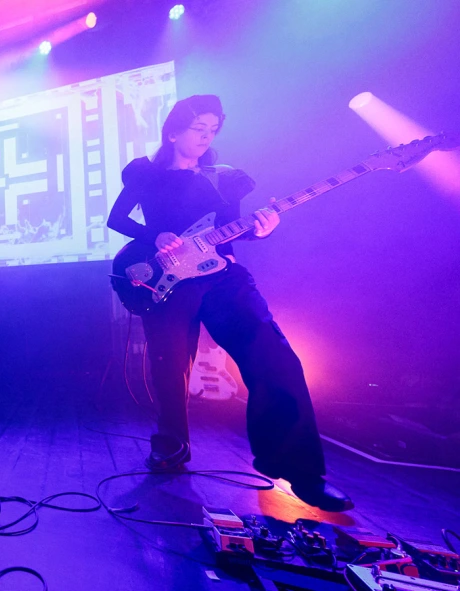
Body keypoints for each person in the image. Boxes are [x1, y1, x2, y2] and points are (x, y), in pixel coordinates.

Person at [107, 95, 353, 512]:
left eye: (212, 129)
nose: (206, 136)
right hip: (169, 279)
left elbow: (231, 229)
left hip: (222, 278)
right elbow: (117, 219)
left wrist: (263, 229)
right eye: (197, 128)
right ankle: (170, 449)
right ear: (173, 131)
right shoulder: (145, 173)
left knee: (275, 357)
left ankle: (301, 470)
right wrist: (156, 237)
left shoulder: (226, 177)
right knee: (170, 369)